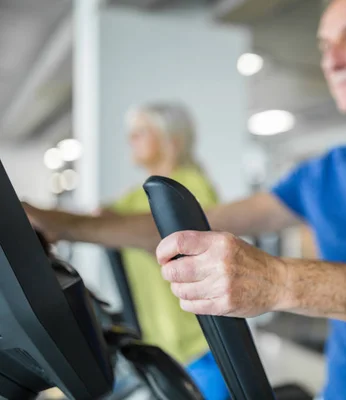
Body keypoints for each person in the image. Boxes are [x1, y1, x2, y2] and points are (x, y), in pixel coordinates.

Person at [24, 1, 346, 399]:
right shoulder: (326, 171)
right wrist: (60, 224)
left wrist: (277, 280)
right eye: (324, 44)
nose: (331, 59)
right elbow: (200, 224)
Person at [34, 102, 229, 400]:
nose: (130, 140)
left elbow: (164, 238)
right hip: (164, 344)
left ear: (171, 138)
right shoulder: (138, 194)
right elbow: (98, 221)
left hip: (200, 343)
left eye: (140, 132)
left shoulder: (189, 186)